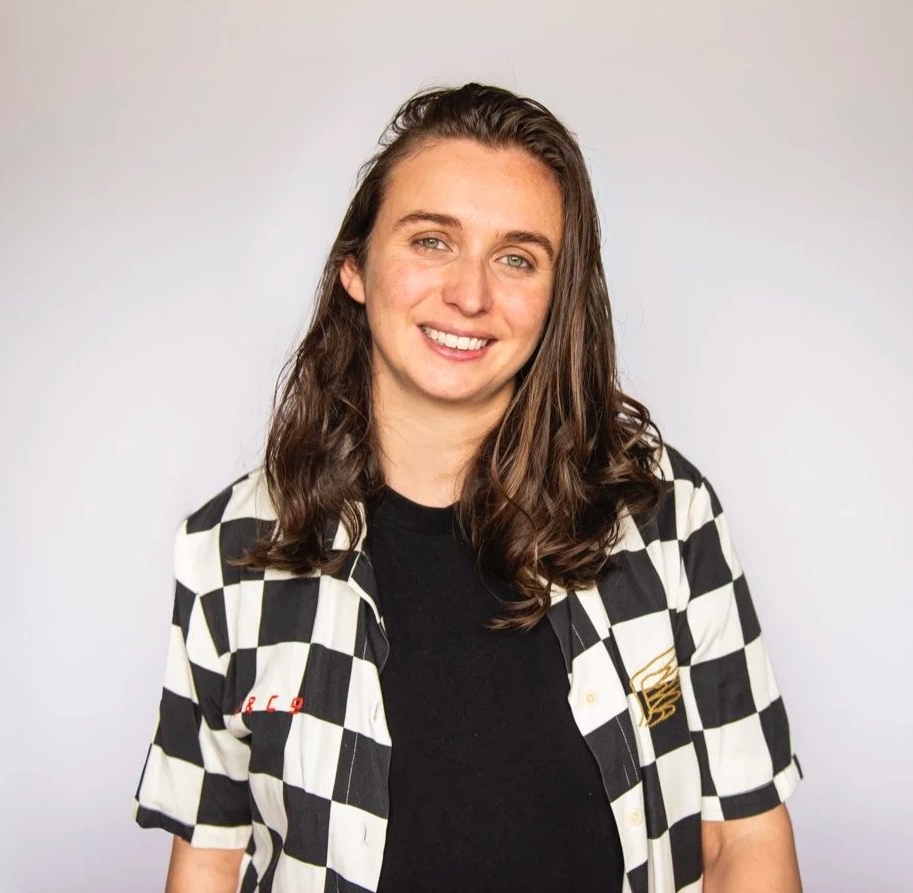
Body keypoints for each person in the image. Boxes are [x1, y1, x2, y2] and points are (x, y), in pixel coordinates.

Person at [133, 82, 805, 893]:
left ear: (557, 298)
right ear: (355, 266)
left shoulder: (661, 516)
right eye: (430, 241)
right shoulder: (232, 548)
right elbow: (209, 858)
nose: (470, 294)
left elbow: (745, 839)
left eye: (516, 258)